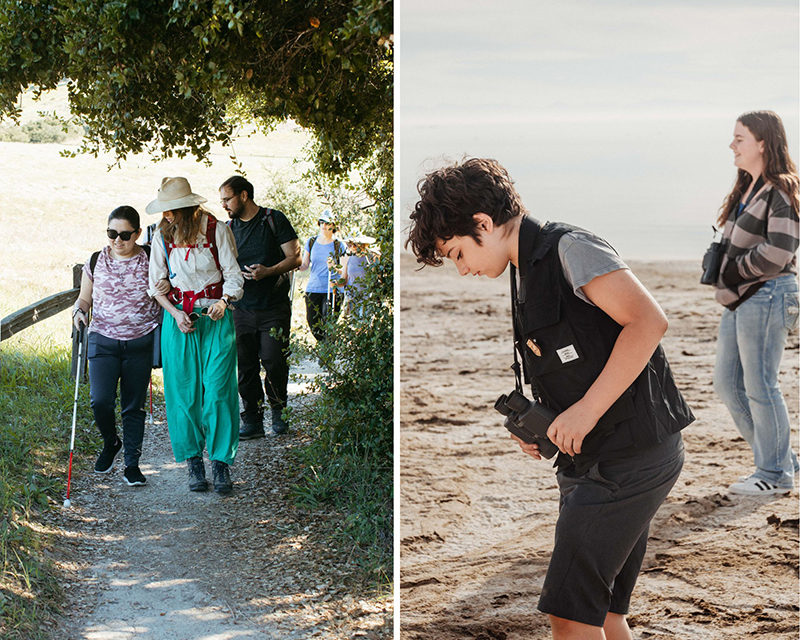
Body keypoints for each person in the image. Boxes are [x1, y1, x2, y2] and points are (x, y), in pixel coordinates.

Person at [406, 158, 694, 640]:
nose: (462, 271)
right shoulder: (524, 266)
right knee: (602, 615)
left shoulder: (570, 248)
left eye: (458, 254)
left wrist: (584, 412)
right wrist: (554, 424)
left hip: (631, 457)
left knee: (569, 615)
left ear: (483, 225)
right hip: (602, 457)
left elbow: (648, 322)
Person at [712, 111, 800, 496]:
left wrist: (733, 270)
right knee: (728, 385)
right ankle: (784, 462)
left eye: (739, 138)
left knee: (761, 385)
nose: (732, 145)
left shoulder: (780, 189)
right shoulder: (747, 187)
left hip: (769, 293)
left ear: (762, 142)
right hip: (743, 298)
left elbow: (780, 251)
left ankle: (775, 474)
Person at [146, 177, 244, 494]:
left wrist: (224, 301)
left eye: (171, 210)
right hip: (180, 321)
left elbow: (233, 274)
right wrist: (174, 314)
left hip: (215, 318)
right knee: (184, 394)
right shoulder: (162, 235)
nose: (167, 216)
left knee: (218, 391)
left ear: (186, 209)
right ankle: (193, 464)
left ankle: (220, 465)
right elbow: (156, 285)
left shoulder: (216, 229)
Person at [72, 206, 164, 487]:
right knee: (100, 401)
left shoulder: (151, 258)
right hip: (103, 339)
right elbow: (84, 299)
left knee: (132, 407)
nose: (118, 240)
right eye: (112, 233)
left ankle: (132, 466)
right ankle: (111, 442)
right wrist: (78, 312)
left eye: (125, 234)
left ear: (137, 233)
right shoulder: (97, 260)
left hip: (140, 340)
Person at [219, 175, 301, 439]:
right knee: (246, 365)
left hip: (273, 307)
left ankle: (279, 411)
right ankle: (252, 419)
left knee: (274, 361)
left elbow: (295, 257)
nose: (224, 205)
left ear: (244, 195)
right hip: (240, 308)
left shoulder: (273, 219)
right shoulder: (227, 228)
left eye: (227, 198)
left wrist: (268, 271)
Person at [298, 210, 344, 342]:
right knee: (313, 322)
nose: (323, 226)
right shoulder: (311, 242)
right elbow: (305, 264)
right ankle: (324, 345)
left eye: (327, 223)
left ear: (333, 225)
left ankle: (327, 351)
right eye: (321, 222)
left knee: (328, 321)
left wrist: (334, 266)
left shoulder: (339, 245)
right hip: (313, 288)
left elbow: (345, 270)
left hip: (332, 289)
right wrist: (295, 266)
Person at [337, 233, 378, 318]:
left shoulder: (372, 257)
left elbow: (379, 278)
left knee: (365, 327)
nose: (352, 247)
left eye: (355, 244)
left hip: (368, 299)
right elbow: (344, 280)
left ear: (363, 245)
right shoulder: (348, 258)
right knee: (354, 327)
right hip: (352, 299)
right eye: (349, 244)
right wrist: (335, 284)